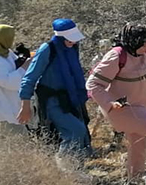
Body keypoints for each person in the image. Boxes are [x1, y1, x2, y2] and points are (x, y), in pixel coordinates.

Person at [86, 24, 146, 179]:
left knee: (138, 144)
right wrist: (109, 103)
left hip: (141, 108)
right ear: (134, 42)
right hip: (121, 110)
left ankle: (134, 180)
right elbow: (93, 84)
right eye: (145, 43)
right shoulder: (116, 56)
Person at [18, 18, 93, 166]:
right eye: (70, 39)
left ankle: (75, 169)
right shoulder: (47, 49)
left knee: (80, 133)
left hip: (71, 99)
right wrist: (25, 105)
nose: (73, 42)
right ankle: (64, 167)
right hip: (52, 102)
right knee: (75, 131)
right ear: (60, 37)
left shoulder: (72, 48)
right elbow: (29, 78)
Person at [0, 25, 32, 150]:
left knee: (5, 146)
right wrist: (25, 67)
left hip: (9, 108)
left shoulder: (6, 52)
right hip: (1, 110)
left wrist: (24, 60)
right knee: (20, 144)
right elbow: (10, 82)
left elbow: (14, 65)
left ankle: (4, 168)